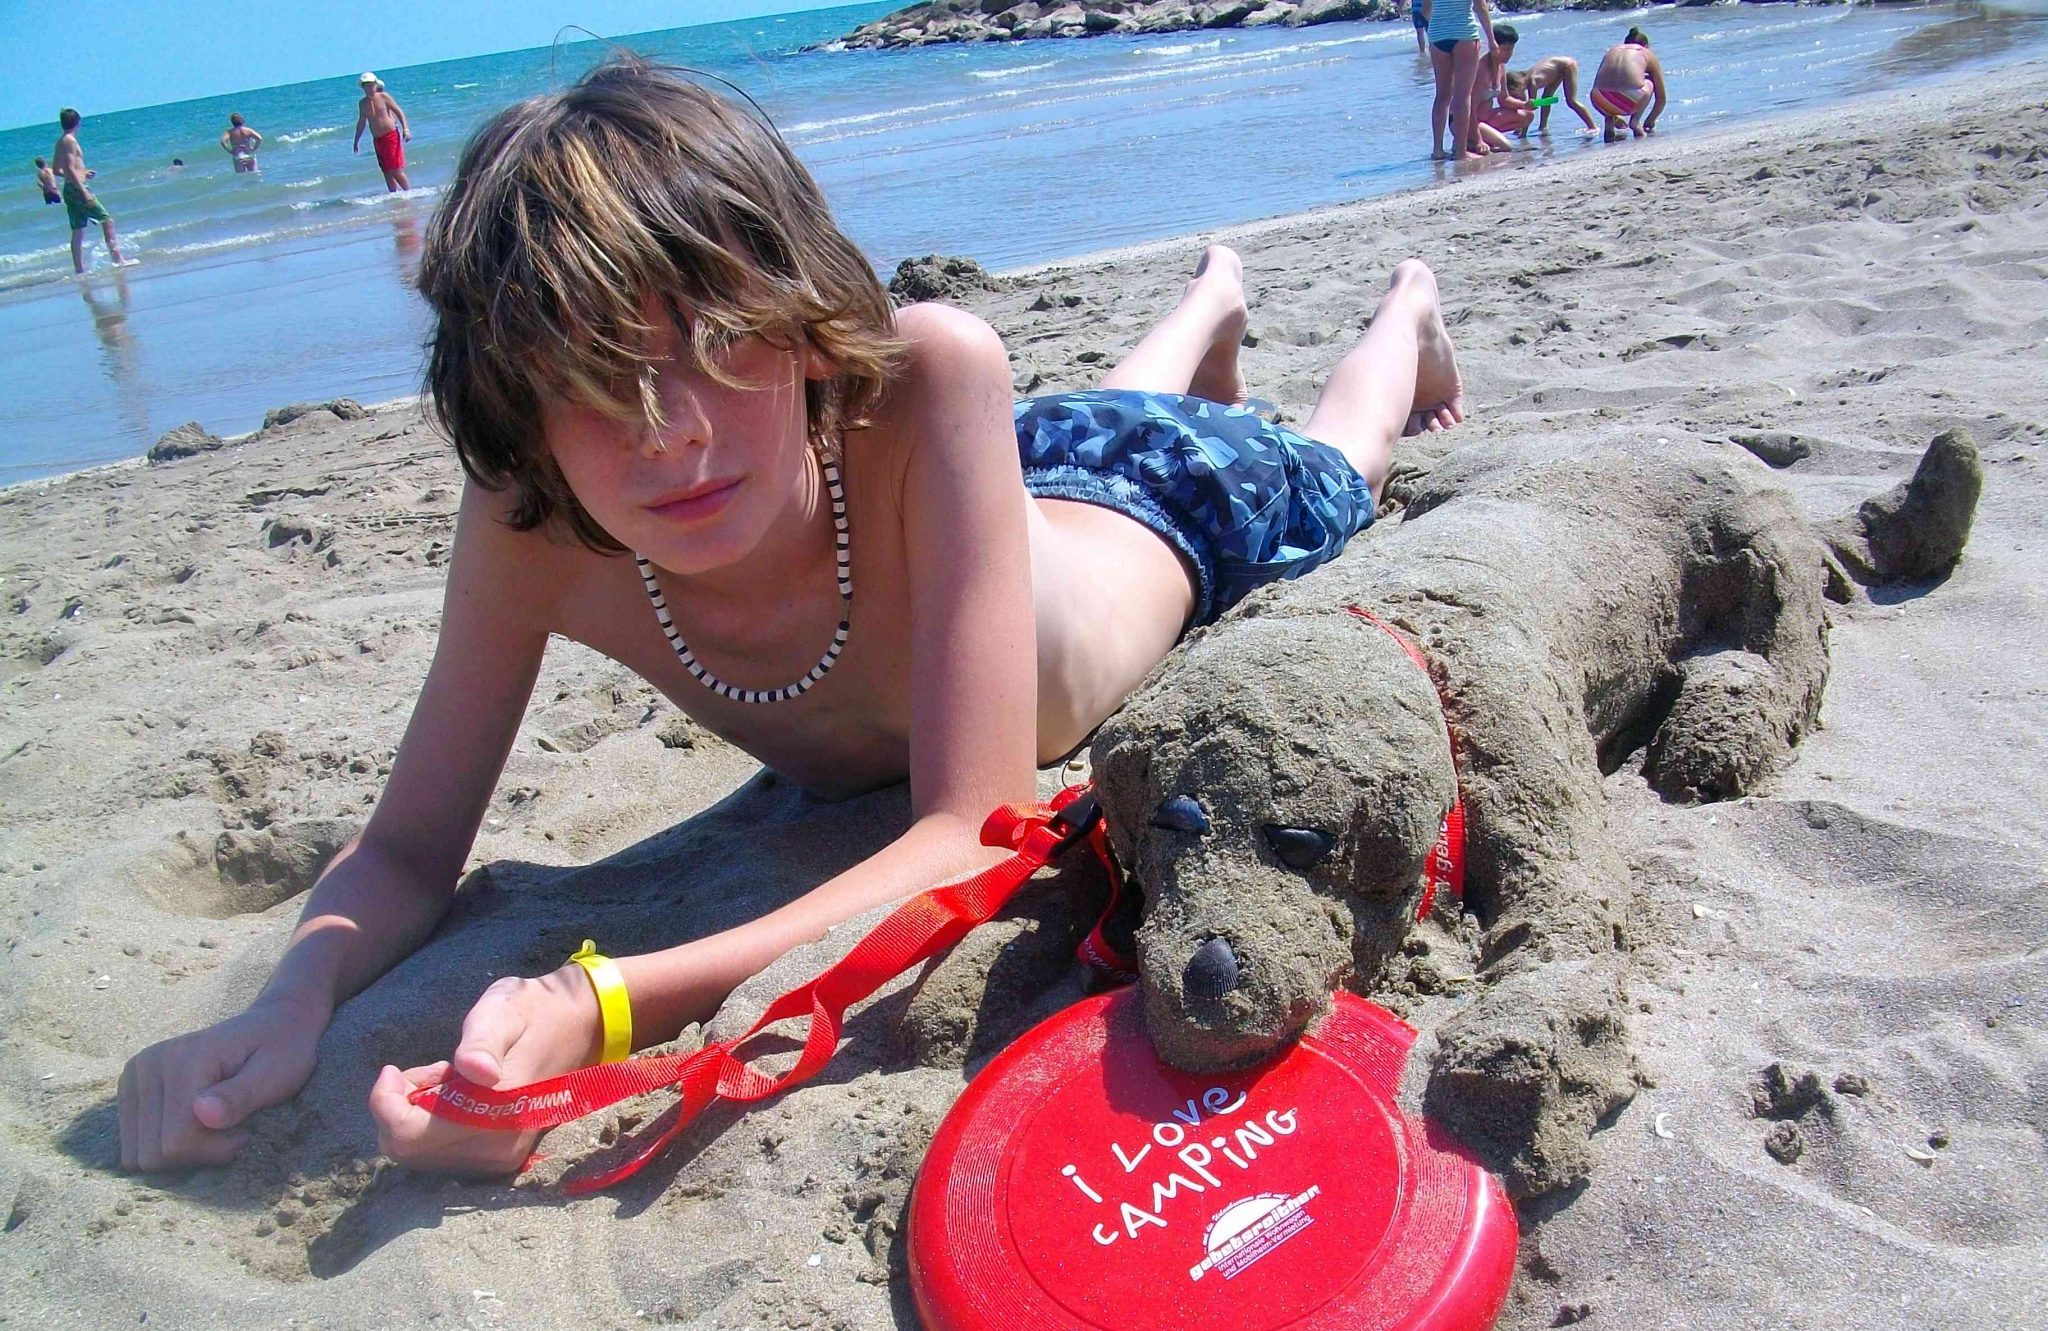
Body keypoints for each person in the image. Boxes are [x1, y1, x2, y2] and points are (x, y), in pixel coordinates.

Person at [115, 57, 1469, 1176]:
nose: (671, 436)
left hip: (1159, 515)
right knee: (1095, 416)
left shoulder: (930, 370)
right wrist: (287, 1005)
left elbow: (967, 831)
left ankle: (1402, 313)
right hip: (1013, 489)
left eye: (716, 342)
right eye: (594, 380)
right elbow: (410, 849)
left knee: (1339, 457)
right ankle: (1208, 301)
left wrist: (609, 1001)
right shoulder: (529, 516)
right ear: (517, 408)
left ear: (809, 321)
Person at [52, 108, 129, 274]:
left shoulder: (60, 141)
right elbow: (71, 168)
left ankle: (79, 269)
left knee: (78, 230)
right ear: (77, 123)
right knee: (107, 221)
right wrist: (84, 191)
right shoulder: (70, 141)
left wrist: (83, 173)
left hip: (69, 189)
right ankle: (117, 260)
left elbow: (57, 170)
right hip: (78, 189)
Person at [1427, 0, 1499, 163]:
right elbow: (1480, 7)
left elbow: (1425, 9)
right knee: (1462, 96)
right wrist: (1492, 39)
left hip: (1437, 34)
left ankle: (1437, 149)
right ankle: (1461, 151)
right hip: (1464, 33)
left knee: (1442, 96)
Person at [1591, 27, 1666, 144]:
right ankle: (1635, 122)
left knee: (1613, 81)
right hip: (1631, 99)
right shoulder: (1645, 53)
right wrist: (1650, 121)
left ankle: (1609, 122)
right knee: (1649, 81)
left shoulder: (1612, 50)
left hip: (1599, 99)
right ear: (1645, 45)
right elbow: (1661, 98)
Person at [352, 72, 412, 192]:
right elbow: (362, 122)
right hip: (378, 140)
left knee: (395, 169)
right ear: (363, 88)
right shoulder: (362, 103)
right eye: (367, 86)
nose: (370, 88)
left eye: (372, 85)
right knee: (386, 171)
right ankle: (394, 196)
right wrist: (356, 140)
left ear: (376, 85)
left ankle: (409, 192)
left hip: (391, 136)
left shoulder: (384, 97)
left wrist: (406, 129)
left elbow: (399, 111)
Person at [1517, 53, 1598, 135]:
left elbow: (1531, 108)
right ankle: (1543, 126)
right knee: (1546, 98)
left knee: (1571, 101)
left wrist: (1523, 134)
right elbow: (1527, 105)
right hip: (1557, 69)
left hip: (1567, 66)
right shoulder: (1523, 81)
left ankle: (1592, 127)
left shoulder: (1532, 82)